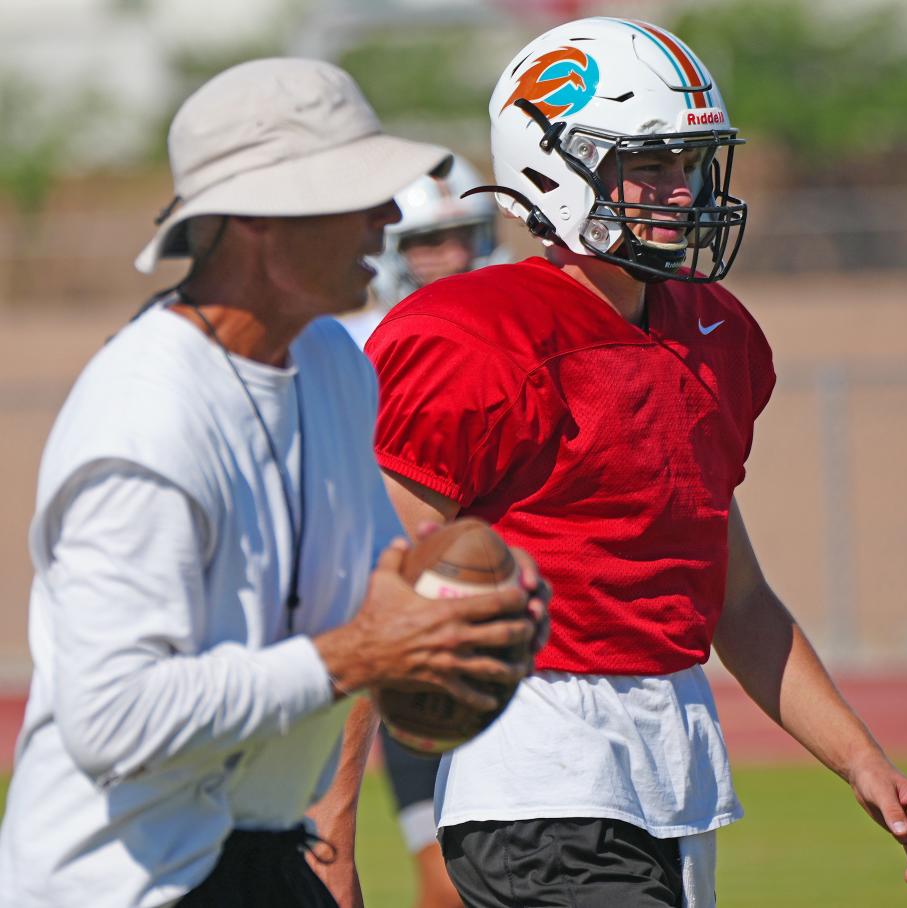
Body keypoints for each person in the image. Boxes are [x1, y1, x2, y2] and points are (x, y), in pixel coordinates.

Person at [363, 17, 907, 908]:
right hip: (534, 768)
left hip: (673, 764)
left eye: (690, 163)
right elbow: (378, 593)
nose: (683, 193)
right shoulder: (475, 334)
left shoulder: (714, 333)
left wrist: (859, 756)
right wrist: (330, 825)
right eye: (652, 165)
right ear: (554, 165)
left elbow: (735, 598)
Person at [0, 58, 540, 908]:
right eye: (356, 191)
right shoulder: (145, 412)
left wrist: (463, 598)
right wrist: (362, 652)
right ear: (257, 221)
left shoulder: (332, 362)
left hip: (259, 853)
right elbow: (113, 719)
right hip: (118, 883)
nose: (390, 215)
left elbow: (374, 587)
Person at [341, 153, 511, 908]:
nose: (445, 256)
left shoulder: (520, 326)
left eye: (459, 235)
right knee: (442, 877)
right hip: (404, 624)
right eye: (422, 243)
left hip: (508, 624)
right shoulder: (354, 344)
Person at [340, 153, 510, 351]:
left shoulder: (517, 333)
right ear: (388, 250)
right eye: (431, 241)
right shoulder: (347, 351)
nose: (458, 258)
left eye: (468, 236)